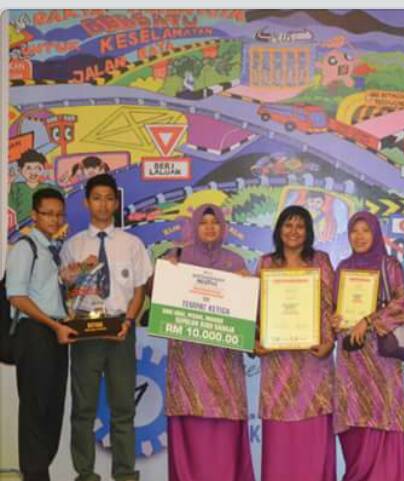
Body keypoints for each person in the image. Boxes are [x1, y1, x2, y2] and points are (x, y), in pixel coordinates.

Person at [60, 174, 152, 481]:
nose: (103, 204)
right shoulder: (73, 245)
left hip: (120, 331)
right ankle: (85, 473)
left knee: (123, 408)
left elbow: (139, 290)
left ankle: (124, 473)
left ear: (116, 203)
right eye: (97, 198)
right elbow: (66, 290)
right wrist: (73, 275)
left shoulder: (132, 244)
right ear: (87, 202)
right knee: (83, 408)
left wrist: (128, 321)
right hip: (85, 334)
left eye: (109, 198)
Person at [164, 204, 255, 481]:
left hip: (224, 366)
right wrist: (165, 273)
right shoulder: (178, 257)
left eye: (214, 222)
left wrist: (247, 286)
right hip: (188, 365)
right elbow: (158, 297)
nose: (210, 227)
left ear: (223, 226)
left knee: (223, 435)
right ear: (194, 226)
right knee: (191, 430)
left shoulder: (235, 262)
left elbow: (248, 313)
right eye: (203, 222)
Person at [254, 206, 336, 481]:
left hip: (314, 364)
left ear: (308, 232)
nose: (293, 231)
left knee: (312, 442)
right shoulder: (265, 264)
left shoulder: (321, 261)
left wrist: (330, 342)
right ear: (279, 230)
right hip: (277, 367)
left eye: (300, 226)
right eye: (288, 225)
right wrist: (255, 342)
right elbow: (253, 311)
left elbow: (332, 307)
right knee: (280, 444)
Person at [331, 211, 404, 481]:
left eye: (366, 230)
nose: (360, 236)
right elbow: (335, 310)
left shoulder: (390, 266)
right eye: (355, 231)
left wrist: (368, 321)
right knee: (354, 429)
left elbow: (402, 305)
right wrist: (334, 320)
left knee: (382, 424)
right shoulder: (343, 268)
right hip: (351, 363)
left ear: (376, 233)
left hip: (381, 362)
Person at [6, 188, 75, 481]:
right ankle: (35, 475)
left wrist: (66, 281)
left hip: (56, 333)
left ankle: (38, 472)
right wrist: (54, 325)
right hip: (35, 334)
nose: (54, 219)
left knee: (52, 409)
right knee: (36, 411)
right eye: (48, 214)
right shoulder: (25, 247)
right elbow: (17, 296)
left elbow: (45, 293)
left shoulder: (51, 250)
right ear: (34, 215)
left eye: (59, 214)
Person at [9, 149, 57, 224]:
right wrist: (9, 182)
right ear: (20, 170)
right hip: (22, 226)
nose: (33, 172)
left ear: (43, 169)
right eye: (28, 168)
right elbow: (9, 206)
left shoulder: (48, 187)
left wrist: (53, 178)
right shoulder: (16, 187)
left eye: (37, 168)